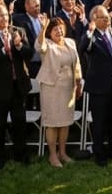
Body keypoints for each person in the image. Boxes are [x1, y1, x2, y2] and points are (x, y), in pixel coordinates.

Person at [0, 4, 34, 169]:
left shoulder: (18, 31)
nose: (5, 18)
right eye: (1, 16)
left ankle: (20, 154)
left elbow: (29, 54)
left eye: (6, 16)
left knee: (19, 122)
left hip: (18, 86)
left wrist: (18, 46)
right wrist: (3, 51)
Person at [79, 5, 112, 167]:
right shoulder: (91, 36)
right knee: (99, 122)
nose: (107, 19)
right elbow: (83, 48)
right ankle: (99, 154)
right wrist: (90, 30)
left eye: (108, 17)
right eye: (103, 17)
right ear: (94, 19)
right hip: (99, 87)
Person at [35, 18, 82, 168]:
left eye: (61, 28)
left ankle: (63, 152)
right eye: (55, 29)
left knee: (65, 122)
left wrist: (78, 81)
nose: (59, 31)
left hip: (68, 87)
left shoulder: (70, 42)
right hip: (52, 88)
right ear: (50, 32)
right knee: (53, 123)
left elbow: (77, 64)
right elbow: (39, 46)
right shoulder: (47, 45)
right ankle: (53, 155)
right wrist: (42, 29)